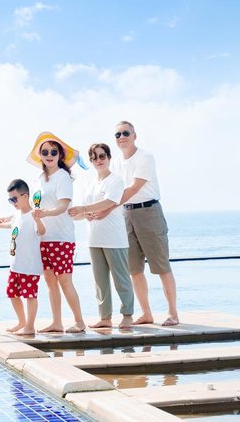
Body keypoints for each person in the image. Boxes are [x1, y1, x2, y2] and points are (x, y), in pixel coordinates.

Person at [107, 120, 179, 326]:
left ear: (134, 135)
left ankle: (173, 314)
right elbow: (112, 189)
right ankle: (146, 314)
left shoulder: (145, 156)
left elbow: (133, 188)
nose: (121, 137)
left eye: (125, 133)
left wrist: (106, 208)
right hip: (126, 214)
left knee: (161, 266)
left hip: (149, 212)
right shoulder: (115, 163)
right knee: (134, 269)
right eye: (118, 134)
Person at [68, 143, 134, 329]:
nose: (98, 160)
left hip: (114, 239)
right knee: (100, 281)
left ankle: (127, 315)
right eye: (94, 157)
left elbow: (109, 202)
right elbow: (82, 213)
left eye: (102, 156)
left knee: (121, 279)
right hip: (94, 239)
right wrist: (75, 213)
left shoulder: (116, 180)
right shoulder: (90, 183)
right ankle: (105, 318)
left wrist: (84, 209)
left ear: (109, 157)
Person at [27, 131, 86, 334]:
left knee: (65, 281)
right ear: (40, 155)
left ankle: (79, 321)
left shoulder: (63, 177)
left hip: (61, 238)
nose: (49, 155)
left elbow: (63, 206)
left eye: (54, 151)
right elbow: (34, 206)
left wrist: (45, 213)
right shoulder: (39, 178)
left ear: (60, 155)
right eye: (45, 152)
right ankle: (57, 323)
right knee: (50, 282)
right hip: (43, 238)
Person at [0, 179, 46, 336]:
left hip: (30, 266)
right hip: (15, 265)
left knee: (30, 296)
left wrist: (38, 220)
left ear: (25, 196)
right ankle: (21, 321)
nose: (12, 203)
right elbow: (10, 226)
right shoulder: (16, 215)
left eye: (14, 199)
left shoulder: (33, 215)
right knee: (12, 293)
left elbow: (42, 232)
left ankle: (29, 326)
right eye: (10, 200)